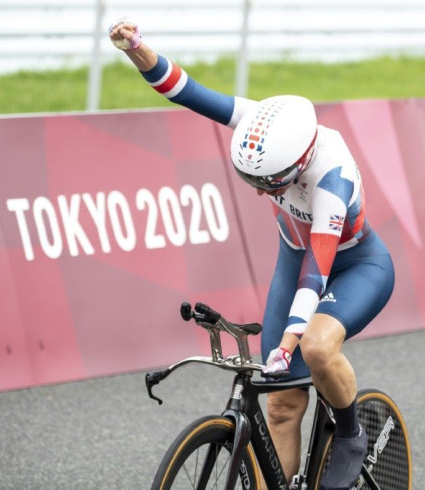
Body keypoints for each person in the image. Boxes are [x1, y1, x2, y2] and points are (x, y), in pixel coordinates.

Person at [109, 19, 395, 490]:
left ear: (300, 164)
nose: (264, 196)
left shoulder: (332, 176)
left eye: (271, 184)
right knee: (281, 405)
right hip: (296, 257)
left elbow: (316, 274)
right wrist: (136, 48)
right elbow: (187, 91)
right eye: (253, 183)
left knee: (316, 347)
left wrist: (286, 345)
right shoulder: (269, 127)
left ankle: (349, 434)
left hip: (354, 266)